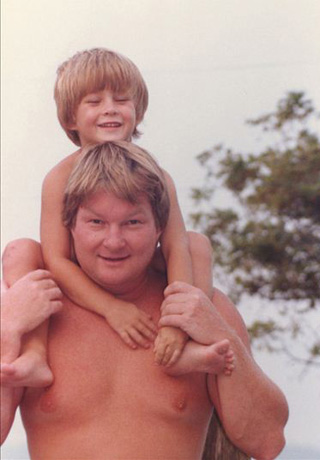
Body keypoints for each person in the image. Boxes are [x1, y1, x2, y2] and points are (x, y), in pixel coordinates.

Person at [1, 141, 288, 459]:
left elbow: (266, 442)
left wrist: (220, 333)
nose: (114, 241)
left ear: (159, 228)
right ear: (70, 225)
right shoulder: (35, 311)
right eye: (96, 222)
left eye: (133, 222)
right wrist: (6, 328)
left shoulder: (201, 307)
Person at [1, 48, 214, 388]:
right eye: (94, 101)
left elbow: (175, 247)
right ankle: (36, 353)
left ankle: (191, 338)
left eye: (121, 99)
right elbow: (56, 258)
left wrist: (173, 325)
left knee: (198, 245)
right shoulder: (60, 177)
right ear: (71, 118)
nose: (110, 109)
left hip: (137, 263)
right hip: (78, 268)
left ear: (138, 110)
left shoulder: (156, 175)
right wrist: (112, 309)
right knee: (20, 251)